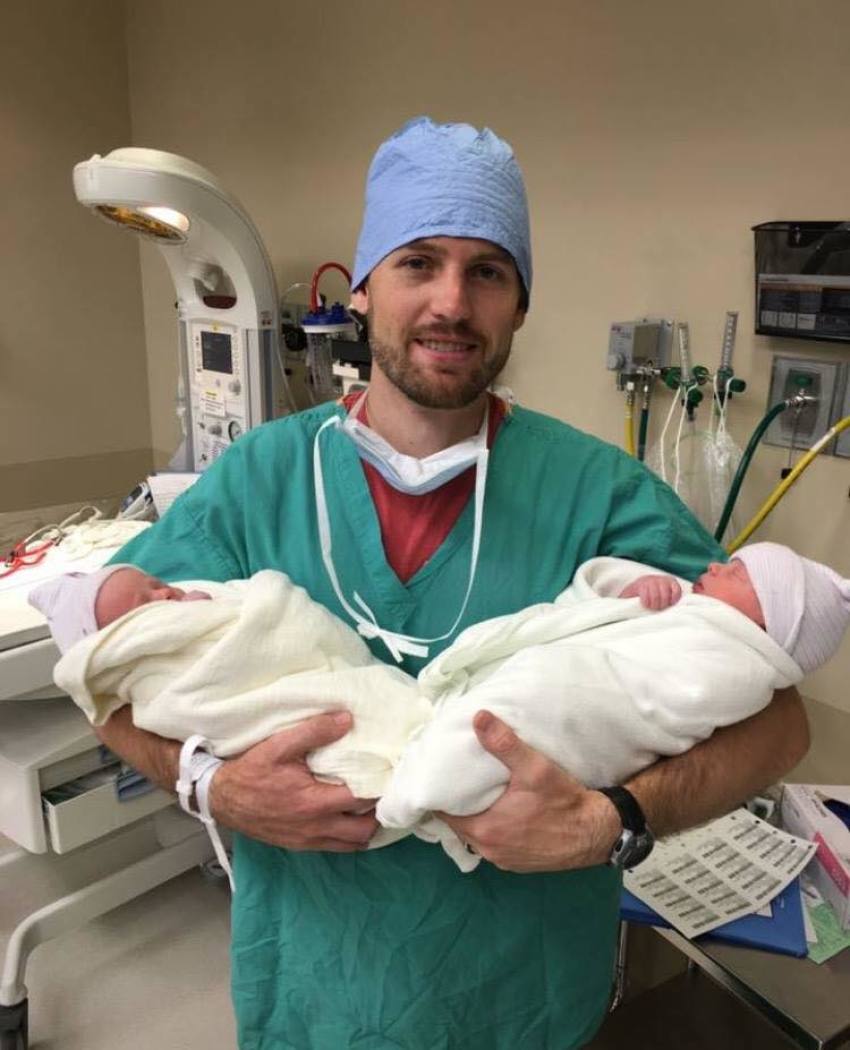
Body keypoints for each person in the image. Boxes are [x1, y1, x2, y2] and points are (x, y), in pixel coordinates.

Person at [89, 116, 809, 1049]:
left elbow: (778, 725)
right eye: (419, 262)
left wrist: (613, 821)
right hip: (312, 998)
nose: (452, 303)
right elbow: (108, 675)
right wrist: (207, 788)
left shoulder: (600, 495)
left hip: (527, 1003)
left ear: (519, 306)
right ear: (365, 289)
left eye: (489, 272)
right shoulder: (261, 479)